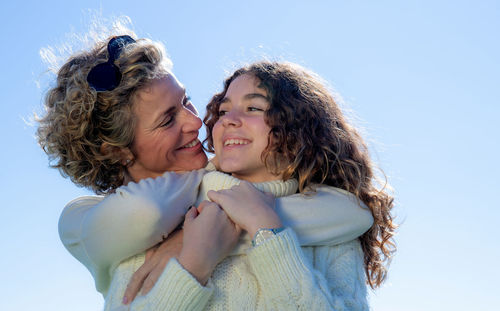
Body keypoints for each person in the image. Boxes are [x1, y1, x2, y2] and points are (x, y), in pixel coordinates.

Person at [36, 28, 375, 308]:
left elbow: (353, 213)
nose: (198, 120)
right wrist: (195, 257)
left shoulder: (235, 184)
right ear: (119, 152)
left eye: (186, 100)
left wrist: (241, 228)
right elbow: (146, 211)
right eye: (168, 119)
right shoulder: (101, 225)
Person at [99, 62, 396, 310]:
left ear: (300, 127)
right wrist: (193, 266)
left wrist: (268, 232)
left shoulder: (336, 235)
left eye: (253, 107)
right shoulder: (168, 216)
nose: (229, 121)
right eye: (224, 111)